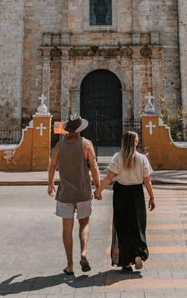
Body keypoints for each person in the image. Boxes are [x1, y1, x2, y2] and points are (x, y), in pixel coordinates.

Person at [48, 113, 101, 276]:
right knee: (84, 223)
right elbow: (94, 166)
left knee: (67, 228)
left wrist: (50, 184)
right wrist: (98, 187)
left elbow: (52, 166)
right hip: (83, 191)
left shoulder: (59, 146)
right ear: (80, 129)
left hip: (65, 193)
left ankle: (70, 265)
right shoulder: (86, 144)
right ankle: (83, 253)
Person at [95, 131, 155, 272]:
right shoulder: (142, 159)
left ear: (123, 142)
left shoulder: (117, 157)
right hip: (136, 195)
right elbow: (147, 180)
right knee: (138, 225)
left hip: (121, 194)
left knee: (122, 226)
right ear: (135, 143)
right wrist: (152, 197)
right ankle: (138, 253)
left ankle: (126, 261)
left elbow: (109, 177)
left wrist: (98, 191)